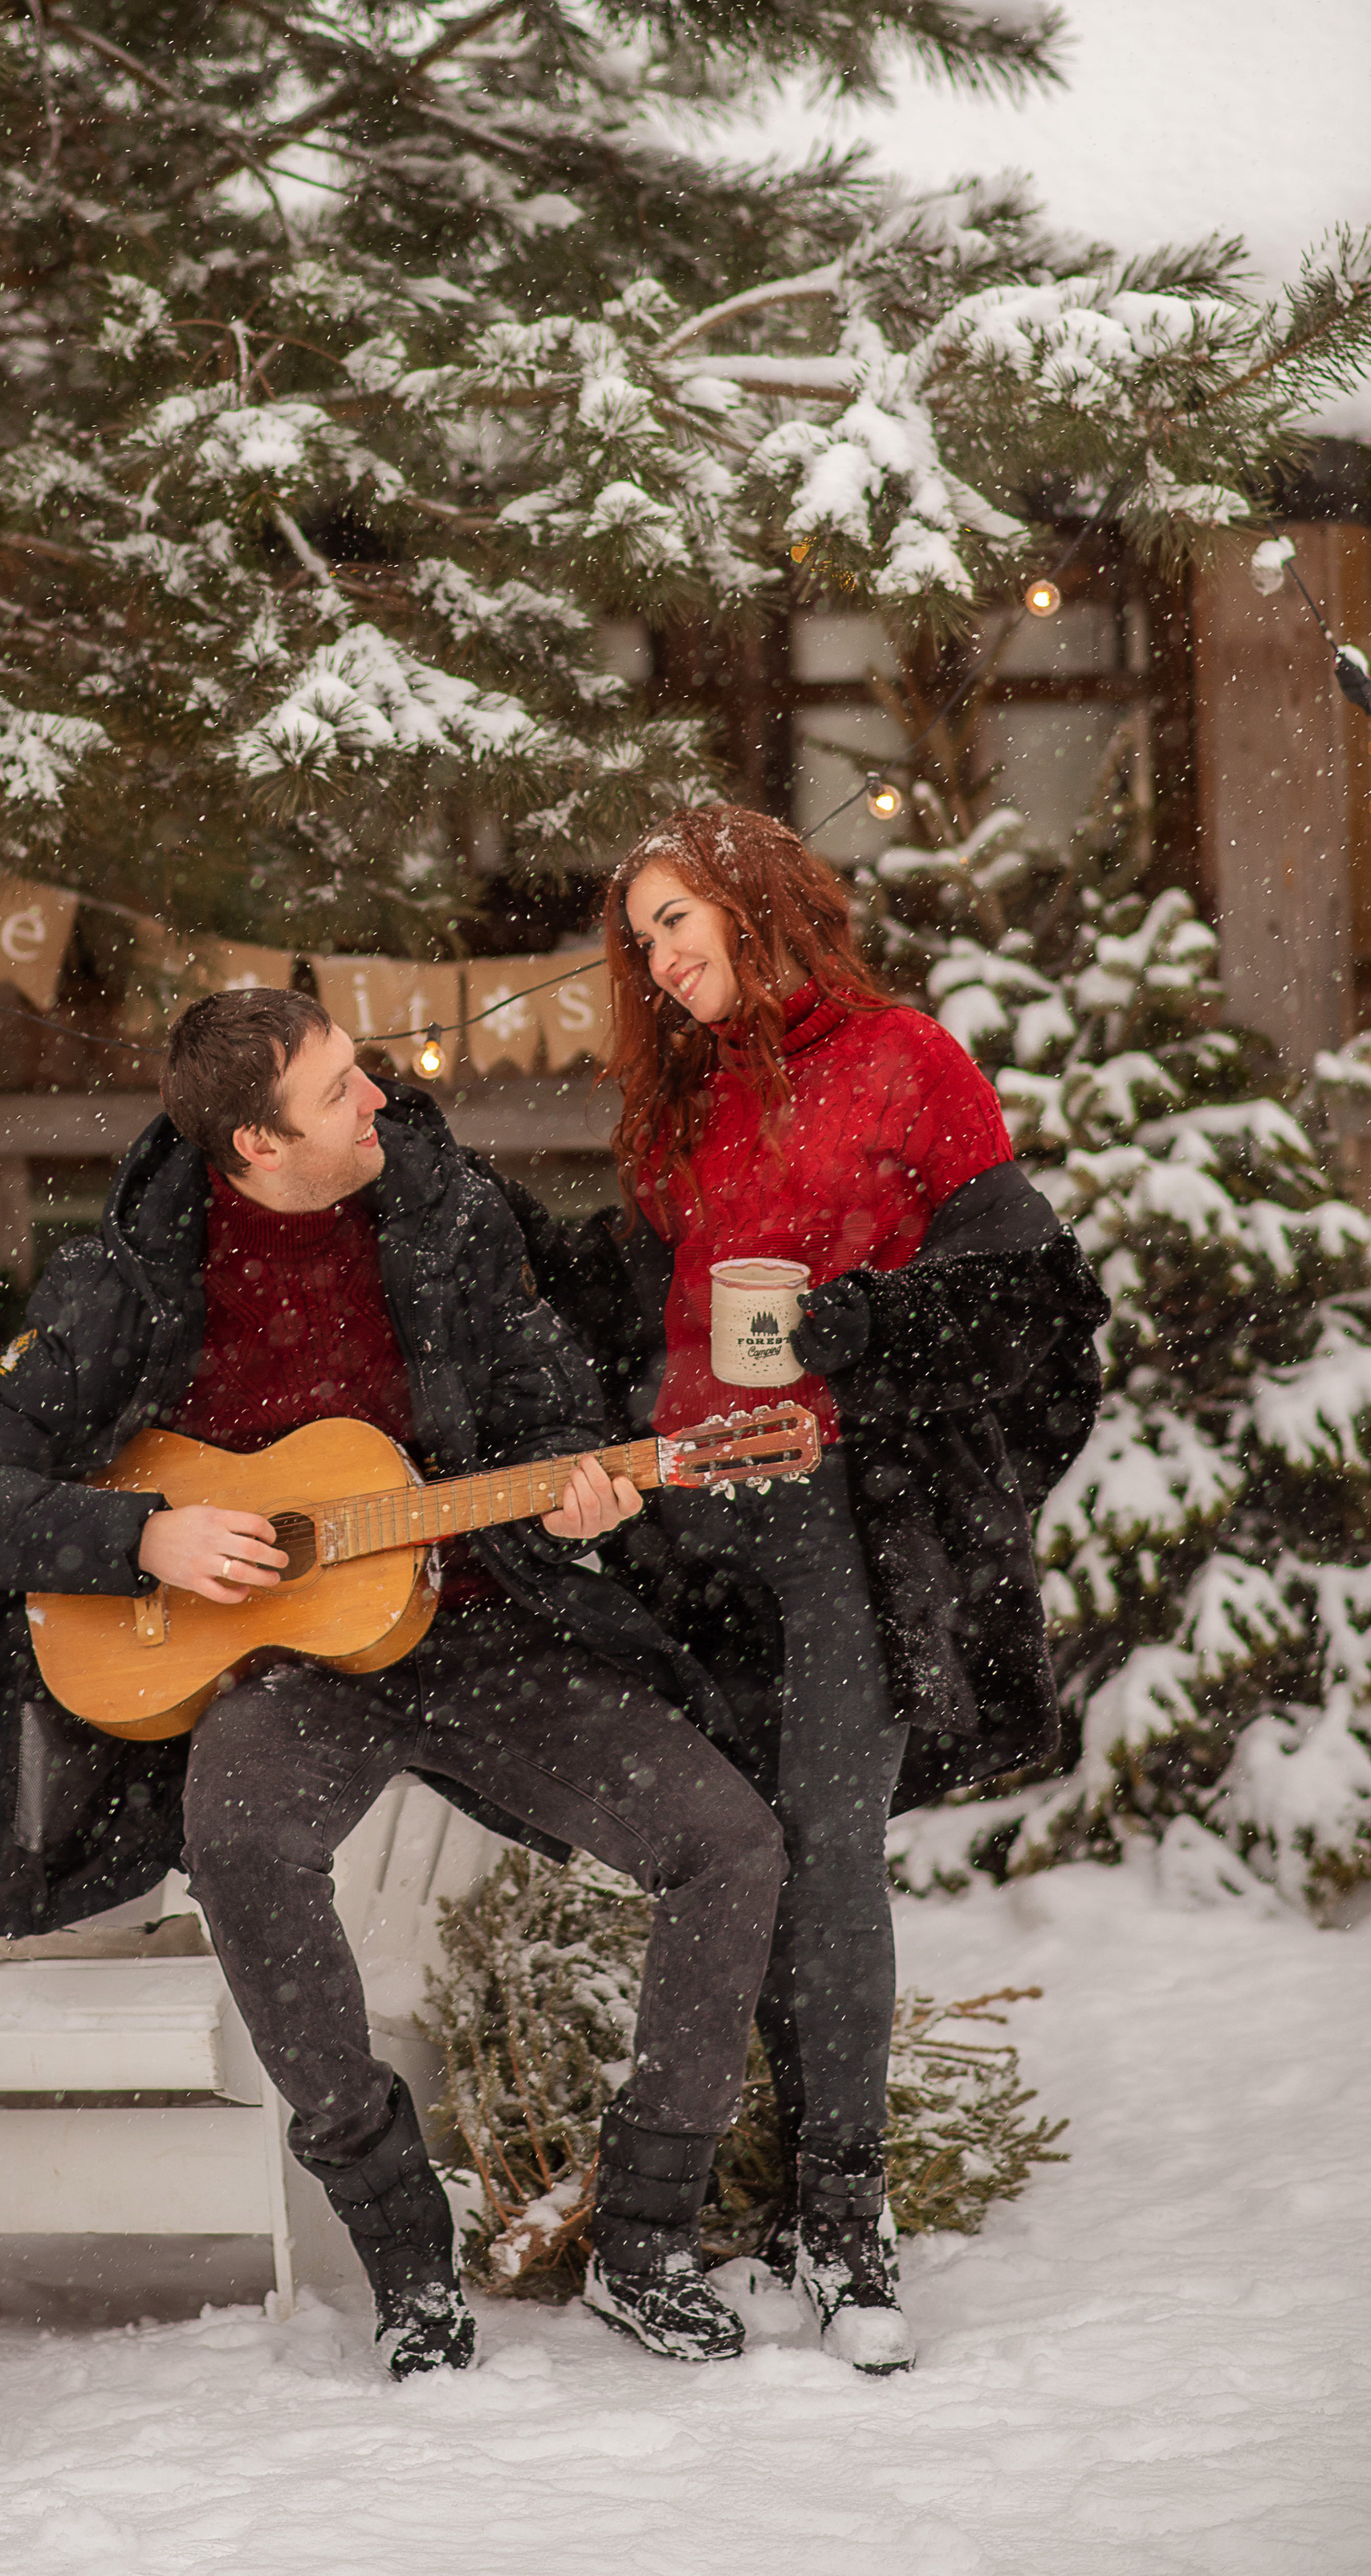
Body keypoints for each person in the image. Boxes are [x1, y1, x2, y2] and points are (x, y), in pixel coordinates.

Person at [0, 987, 788, 2379]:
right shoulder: (132, 1276)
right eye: (337, 1090)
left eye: (364, 1071)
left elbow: (550, 1405)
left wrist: (589, 1488)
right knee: (239, 1840)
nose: (379, 1096)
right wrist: (144, 1535)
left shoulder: (449, 1215)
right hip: (292, 1663)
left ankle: (649, 2235)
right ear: (255, 1139)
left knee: (730, 1842)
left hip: (477, 1625)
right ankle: (406, 2257)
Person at [507, 806, 1106, 2375]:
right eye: (636, 937)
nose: (654, 955)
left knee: (830, 1848)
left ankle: (844, 2229)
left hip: (837, 1512)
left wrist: (855, 1329)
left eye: (672, 919)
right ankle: (744, 2209)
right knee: (743, 1855)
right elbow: (624, 1303)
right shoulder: (681, 1106)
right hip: (688, 1528)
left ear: (753, 900)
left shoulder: (905, 1058)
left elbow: (1033, 1302)